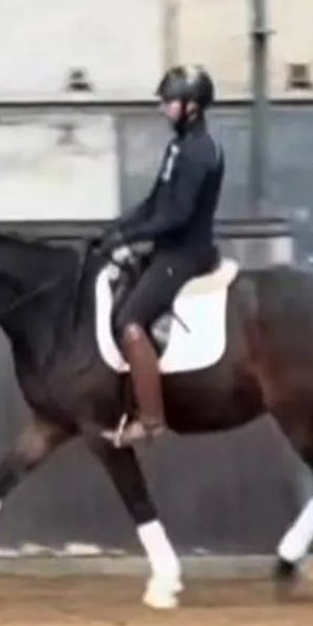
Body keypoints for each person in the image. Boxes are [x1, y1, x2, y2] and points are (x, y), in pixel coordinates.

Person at [96, 63, 225, 447]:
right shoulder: (179, 147)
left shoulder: (200, 152)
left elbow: (176, 216)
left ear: (193, 107)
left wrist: (128, 238)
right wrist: (115, 228)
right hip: (167, 247)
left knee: (131, 321)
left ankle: (151, 421)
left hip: (186, 254)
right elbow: (155, 202)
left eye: (170, 102)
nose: (163, 108)